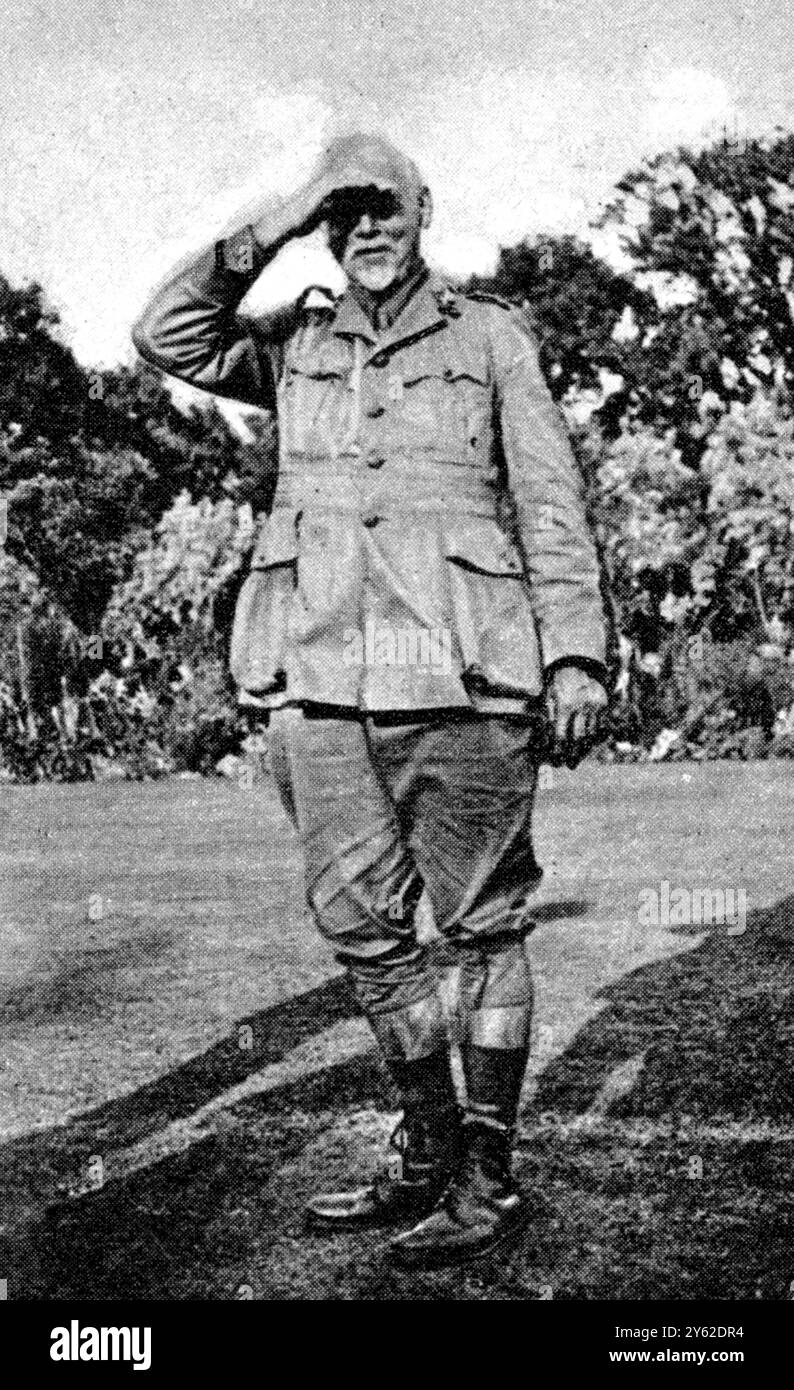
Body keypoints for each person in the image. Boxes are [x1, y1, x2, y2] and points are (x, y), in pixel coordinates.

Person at [132, 131, 609, 1268]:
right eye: (343, 214)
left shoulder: (489, 336)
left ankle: (486, 1179)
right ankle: (429, 1156)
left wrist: (575, 651)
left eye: (381, 205)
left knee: (483, 926)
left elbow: (549, 499)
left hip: (464, 679)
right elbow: (166, 335)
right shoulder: (294, 344)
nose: (365, 228)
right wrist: (283, 213)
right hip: (320, 685)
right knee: (363, 935)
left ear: (423, 208)